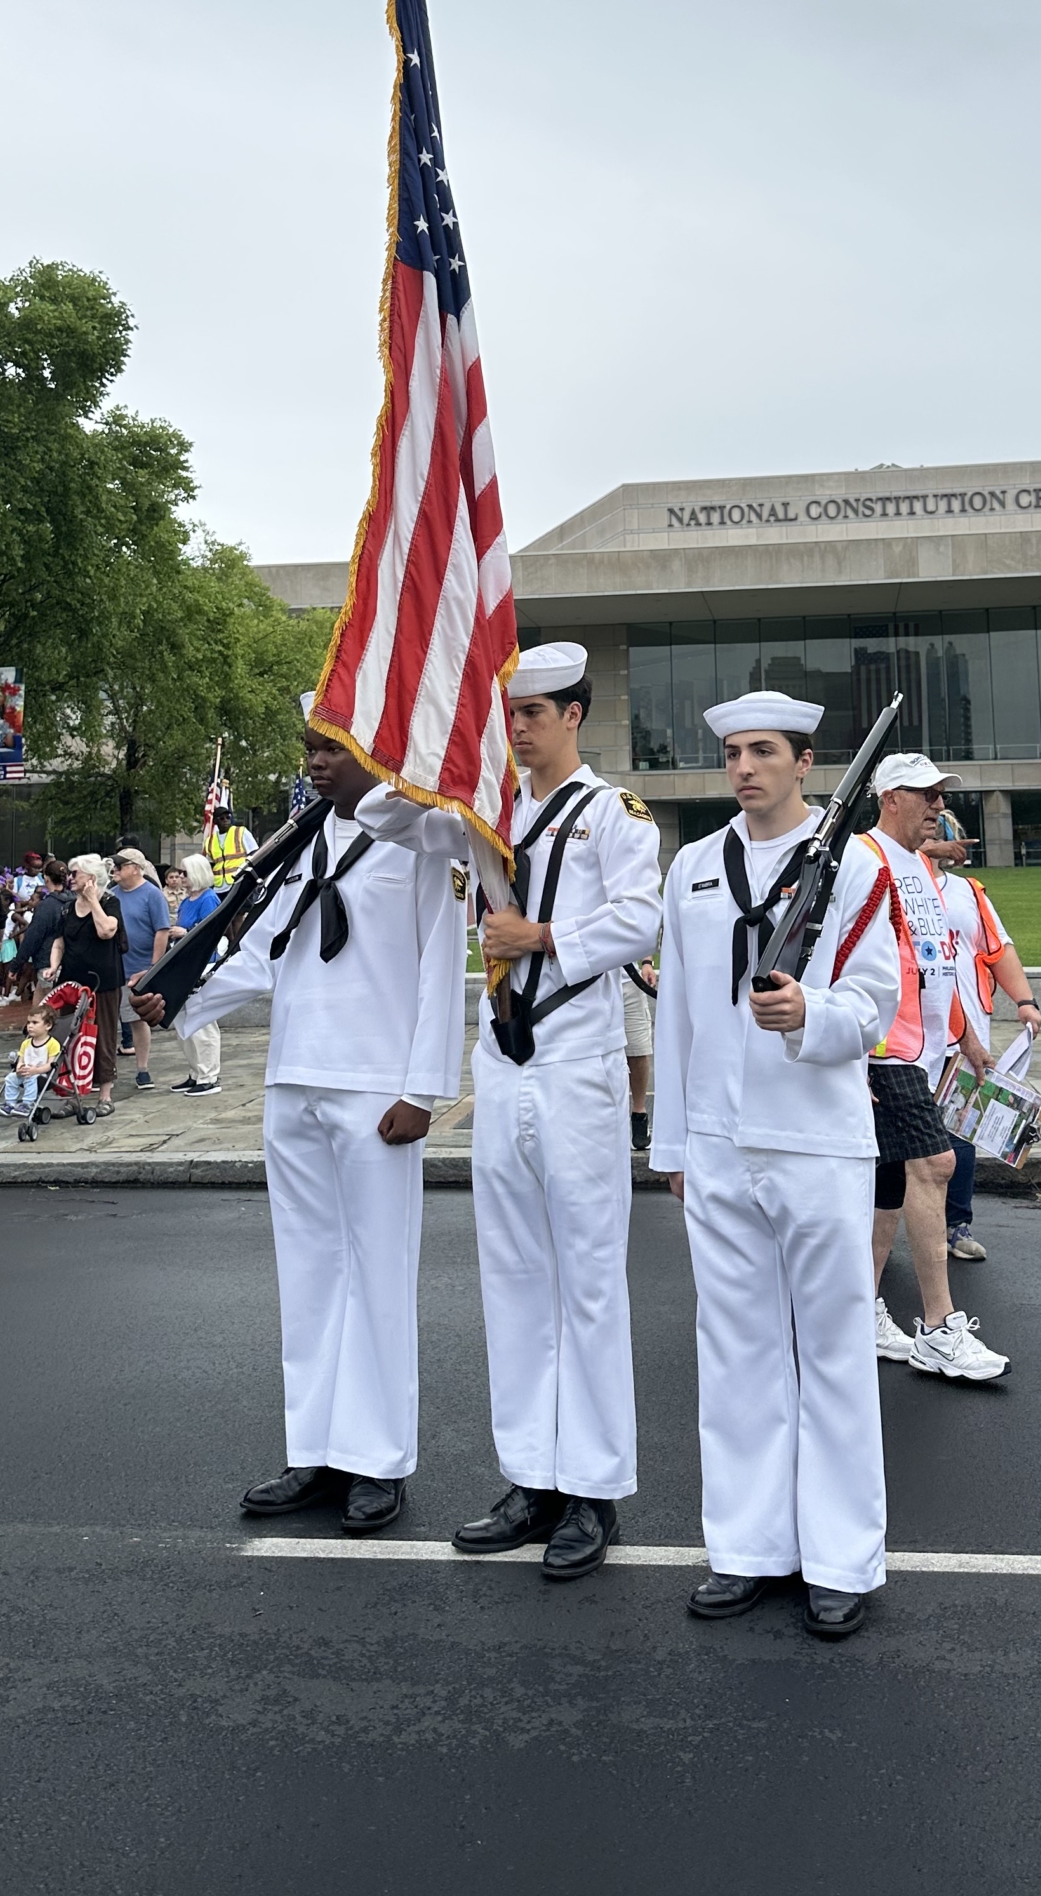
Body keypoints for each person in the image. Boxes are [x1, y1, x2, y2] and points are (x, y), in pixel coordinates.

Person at [356, 643, 665, 1581]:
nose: (518, 728)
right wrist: (440, 758)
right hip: (503, 1060)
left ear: (574, 715)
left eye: (533, 713)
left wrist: (544, 936)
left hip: (576, 1061)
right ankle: (532, 1478)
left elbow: (643, 917)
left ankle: (594, 1491)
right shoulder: (483, 809)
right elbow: (378, 814)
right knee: (515, 1277)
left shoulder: (612, 813)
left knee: (589, 1280)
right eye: (508, 714)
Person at [131, 706, 467, 1535]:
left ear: (373, 754)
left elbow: (440, 963)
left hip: (375, 1084)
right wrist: (179, 999)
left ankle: (377, 1459)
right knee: (311, 1273)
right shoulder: (300, 841)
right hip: (295, 1077)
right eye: (310, 750)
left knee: (378, 1274)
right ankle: (315, 1449)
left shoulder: (420, 838)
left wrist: (424, 1089)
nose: (316, 763)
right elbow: (262, 954)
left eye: (332, 750)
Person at [651, 692, 902, 1643]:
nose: (745, 768)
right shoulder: (692, 866)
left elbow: (875, 1001)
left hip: (817, 1142)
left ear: (806, 763)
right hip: (719, 1145)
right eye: (733, 753)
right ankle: (748, 1548)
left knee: (833, 1351)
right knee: (736, 1351)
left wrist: (812, 1016)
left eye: (764, 752)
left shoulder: (857, 863)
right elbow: (678, 1012)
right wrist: (674, 1144)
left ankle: (841, 1561)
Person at [861, 757, 1007, 1380]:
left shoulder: (920, 867)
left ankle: (861, 1310)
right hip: (880, 1049)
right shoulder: (863, 860)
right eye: (927, 794)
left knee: (888, 1186)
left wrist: (966, 1037)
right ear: (891, 798)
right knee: (935, 1163)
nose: (938, 806)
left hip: (922, 1052)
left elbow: (933, 964)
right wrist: (854, 1057)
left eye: (941, 795)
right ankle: (940, 1328)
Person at [921, 827, 1041, 1266]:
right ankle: (887, 1221)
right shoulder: (891, 878)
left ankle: (956, 1223)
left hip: (968, 1030)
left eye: (941, 828)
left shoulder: (969, 892)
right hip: (910, 1034)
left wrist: (1025, 1001)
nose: (936, 835)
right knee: (899, 1132)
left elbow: (998, 949)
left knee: (961, 1127)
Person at [46, 855, 126, 1112]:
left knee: (103, 1035)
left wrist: (93, 901)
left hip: (103, 982)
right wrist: (53, 965)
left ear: (90, 877)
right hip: (72, 983)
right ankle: (72, 1096)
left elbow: (106, 931)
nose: (69, 878)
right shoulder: (67, 908)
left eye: (75, 873)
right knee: (71, 1036)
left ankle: (105, 1096)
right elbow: (59, 942)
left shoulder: (110, 902)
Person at [112, 847, 172, 1087]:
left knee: (137, 1020)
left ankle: (142, 1068)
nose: (115, 870)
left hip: (139, 969)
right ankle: (104, 1070)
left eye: (121, 866)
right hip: (115, 968)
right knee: (107, 1021)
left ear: (136, 869)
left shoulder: (152, 895)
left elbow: (162, 931)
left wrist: (154, 966)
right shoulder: (111, 895)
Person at [165, 853, 224, 1096]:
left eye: (185, 873)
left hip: (202, 965)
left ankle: (209, 1075)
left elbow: (213, 930)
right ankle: (197, 1072)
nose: (180, 876)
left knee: (202, 1021)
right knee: (185, 1020)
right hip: (186, 963)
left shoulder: (208, 898)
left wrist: (185, 931)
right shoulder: (188, 900)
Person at [17, 859, 70, 999]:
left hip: (47, 961)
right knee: (41, 999)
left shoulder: (46, 906)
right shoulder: (75, 900)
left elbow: (33, 937)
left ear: (46, 879)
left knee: (52, 1004)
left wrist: (17, 964)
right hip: (69, 959)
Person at [622, 959, 657, 1153]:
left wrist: (646, 962)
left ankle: (639, 1113)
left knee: (638, 1049)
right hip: (586, 981)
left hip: (628, 977)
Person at [1, 1006, 59, 1117]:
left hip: (41, 1075)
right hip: (25, 1072)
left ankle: (27, 1104)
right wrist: (19, 1069)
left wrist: (36, 1070)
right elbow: (21, 1060)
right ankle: (10, 1104)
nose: (30, 1026)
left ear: (48, 1025)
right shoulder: (26, 1043)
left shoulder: (53, 1044)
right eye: (28, 1022)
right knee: (10, 1078)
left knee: (31, 1078)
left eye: (35, 1023)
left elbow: (50, 1065)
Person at [207, 805, 257, 894]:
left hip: (238, 883)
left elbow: (255, 854)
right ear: (215, 821)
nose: (225, 820)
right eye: (222, 818)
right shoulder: (210, 840)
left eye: (228, 817)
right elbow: (210, 865)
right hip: (218, 887)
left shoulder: (241, 832)